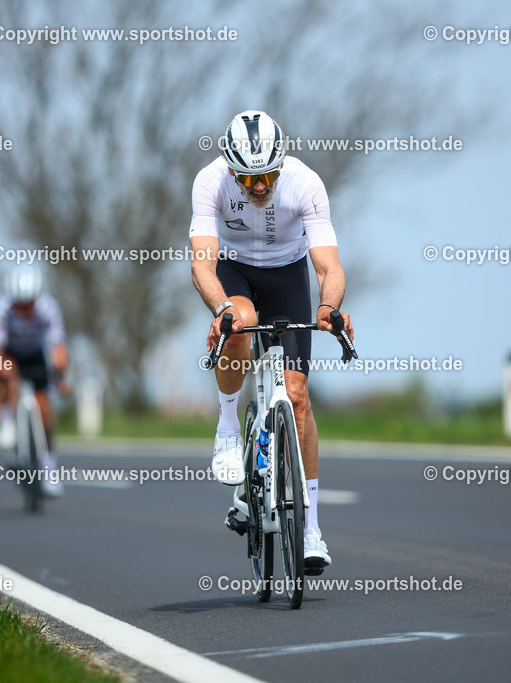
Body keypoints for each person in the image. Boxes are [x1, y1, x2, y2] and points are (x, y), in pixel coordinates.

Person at [189, 110, 355, 572]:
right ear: (231, 168)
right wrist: (221, 309)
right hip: (234, 270)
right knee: (239, 322)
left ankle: (312, 530)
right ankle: (226, 429)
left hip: (288, 275)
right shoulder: (210, 182)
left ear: (281, 164)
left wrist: (329, 307)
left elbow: (329, 266)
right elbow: (202, 263)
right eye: (248, 177)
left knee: (297, 396)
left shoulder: (305, 182)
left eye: (267, 175)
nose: (259, 185)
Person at [0, 265, 71, 497]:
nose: (24, 309)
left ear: (37, 298)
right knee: (3, 370)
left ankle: (49, 470)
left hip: (35, 355)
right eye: (19, 304)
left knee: (44, 409)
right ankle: (6, 420)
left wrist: (60, 375)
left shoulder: (48, 309)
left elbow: (58, 347)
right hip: (11, 353)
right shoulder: (2, 310)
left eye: (29, 304)